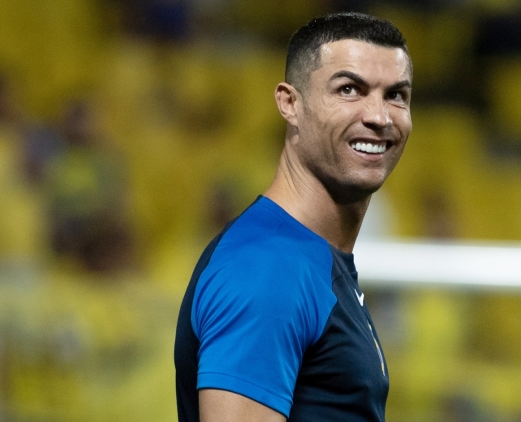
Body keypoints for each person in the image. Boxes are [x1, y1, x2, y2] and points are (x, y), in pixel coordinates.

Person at [175, 12, 413, 421]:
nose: (379, 116)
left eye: (396, 95)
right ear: (290, 103)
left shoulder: (305, 257)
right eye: (349, 89)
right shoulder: (269, 267)